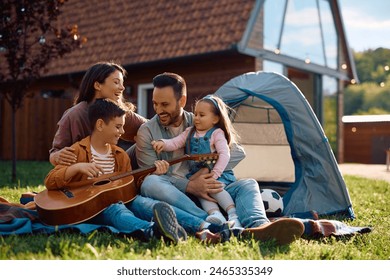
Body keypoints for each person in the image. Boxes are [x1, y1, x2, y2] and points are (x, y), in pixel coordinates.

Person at [136, 72, 305, 245]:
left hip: (211, 187)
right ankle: (214, 223)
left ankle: (259, 226)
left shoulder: (200, 119)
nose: (158, 110)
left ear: (182, 101)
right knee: (151, 183)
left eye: (165, 104)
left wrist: (205, 172)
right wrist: (190, 185)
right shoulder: (147, 132)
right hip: (179, 196)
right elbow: (146, 177)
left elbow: (237, 152)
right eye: (155, 104)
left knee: (248, 184)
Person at [44, 98, 185, 243]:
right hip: (91, 209)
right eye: (118, 127)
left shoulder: (120, 155)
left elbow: (130, 188)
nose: (122, 132)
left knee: (145, 203)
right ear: (100, 125)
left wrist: (154, 174)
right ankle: (154, 231)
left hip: (120, 201)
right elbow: (50, 180)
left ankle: (200, 225)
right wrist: (76, 168)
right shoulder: (76, 151)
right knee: (116, 210)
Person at [151, 95, 242, 228]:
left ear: (215, 119)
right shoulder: (189, 132)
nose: (196, 118)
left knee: (215, 188)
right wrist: (162, 143)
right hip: (197, 175)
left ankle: (233, 214)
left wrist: (215, 174)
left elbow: (224, 154)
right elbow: (175, 143)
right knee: (201, 192)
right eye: (195, 114)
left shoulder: (217, 133)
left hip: (217, 173)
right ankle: (216, 214)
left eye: (202, 115)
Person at [49, 61, 146, 167]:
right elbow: (55, 152)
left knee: (146, 144)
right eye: (116, 82)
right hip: (83, 173)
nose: (122, 88)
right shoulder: (75, 114)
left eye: (122, 83)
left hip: (112, 167)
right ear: (97, 85)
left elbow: (150, 127)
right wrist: (57, 156)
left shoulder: (119, 112)